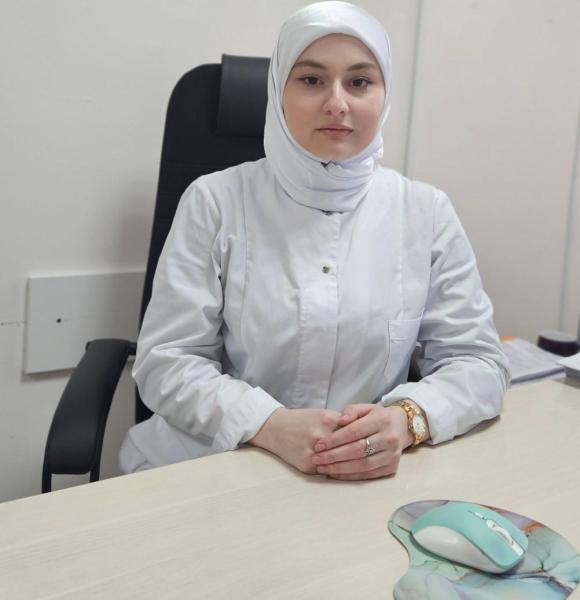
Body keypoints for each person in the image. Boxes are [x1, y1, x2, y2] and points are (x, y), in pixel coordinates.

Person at [119, 1, 509, 480]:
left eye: (359, 82)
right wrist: (268, 423)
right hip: (218, 465)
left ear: (384, 95)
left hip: (366, 477)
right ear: (278, 92)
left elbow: (478, 362)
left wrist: (408, 419)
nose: (337, 103)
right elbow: (166, 362)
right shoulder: (215, 201)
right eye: (311, 79)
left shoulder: (425, 212)